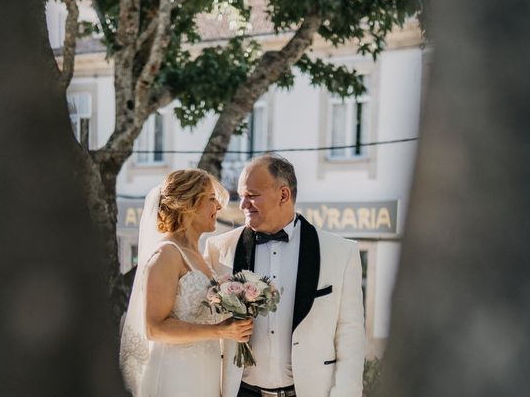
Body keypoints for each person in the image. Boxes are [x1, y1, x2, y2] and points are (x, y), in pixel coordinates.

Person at [204, 155, 365, 397]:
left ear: (283, 195)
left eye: (252, 195)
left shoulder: (341, 253)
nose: (242, 204)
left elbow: (350, 339)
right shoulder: (219, 249)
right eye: (241, 195)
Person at [119, 169, 254, 397]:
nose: (218, 208)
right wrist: (220, 331)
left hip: (206, 374)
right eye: (212, 199)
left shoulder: (200, 256)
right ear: (188, 203)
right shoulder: (167, 254)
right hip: (176, 376)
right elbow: (154, 328)